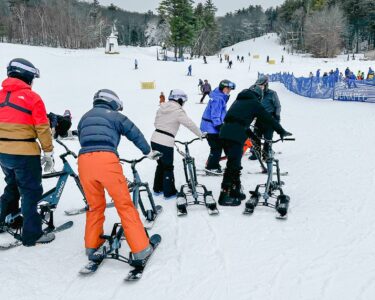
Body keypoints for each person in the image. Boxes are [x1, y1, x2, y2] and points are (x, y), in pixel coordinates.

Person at [77, 89, 160, 266]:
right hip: (106, 160)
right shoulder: (114, 116)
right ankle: (140, 249)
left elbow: (84, 138)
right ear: (113, 102)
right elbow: (134, 132)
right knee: (124, 205)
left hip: (84, 161)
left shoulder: (85, 117)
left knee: (94, 206)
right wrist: (148, 152)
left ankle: (92, 245)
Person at [0, 58, 55, 246]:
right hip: (25, 151)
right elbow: (42, 128)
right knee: (31, 191)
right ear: (26, 76)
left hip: (3, 153)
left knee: (12, 185)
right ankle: (32, 235)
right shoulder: (33, 98)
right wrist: (48, 152)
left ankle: (6, 219)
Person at [218, 82, 292, 206]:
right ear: (259, 96)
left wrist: (253, 138)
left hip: (225, 134)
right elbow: (268, 118)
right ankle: (224, 195)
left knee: (235, 163)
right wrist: (281, 131)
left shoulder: (239, 101)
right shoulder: (254, 103)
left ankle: (235, 191)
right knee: (233, 166)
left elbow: (239, 122)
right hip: (235, 136)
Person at [151, 89, 204, 199]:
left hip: (155, 139)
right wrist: (200, 134)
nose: (183, 104)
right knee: (168, 167)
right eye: (183, 101)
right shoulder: (178, 111)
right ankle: (169, 192)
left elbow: (156, 123)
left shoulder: (162, 108)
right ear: (179, 99)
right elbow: (190, 124)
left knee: (160, 165)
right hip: (165, 142)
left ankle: (157, 189)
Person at [200, 80, 236, 175]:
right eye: (228, 89)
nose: (229, 91)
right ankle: (211, 167)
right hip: (211, 127)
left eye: (230, 89)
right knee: (216, 148)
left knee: (217, 147)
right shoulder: (218, 99)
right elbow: (215, 115)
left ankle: (213, 164)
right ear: (223, 88)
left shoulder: (219, 96)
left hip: (212, 127)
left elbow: (222, 113)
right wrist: (220, 126)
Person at [248, 76, 281, 160]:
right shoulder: (255, 93)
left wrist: (277, 117)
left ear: (266, 85)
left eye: (261, 86)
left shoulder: (272, 94)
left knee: (268, 137)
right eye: (258, 86)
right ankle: (256, 153)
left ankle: (266, 154)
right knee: (256, 136)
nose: (260, 88)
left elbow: (277, 106)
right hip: (259, 118)